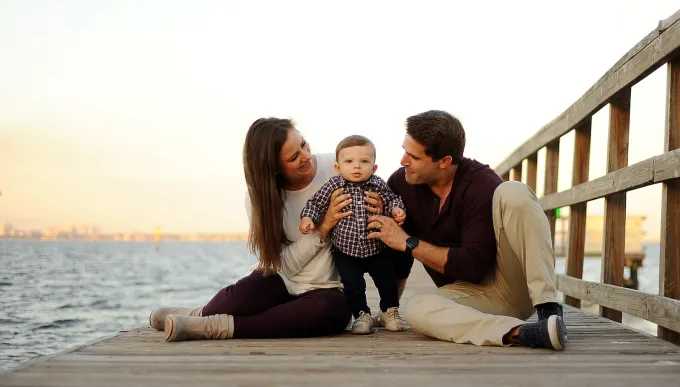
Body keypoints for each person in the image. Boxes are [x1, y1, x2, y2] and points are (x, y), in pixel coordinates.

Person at [148, 117, 385, 342]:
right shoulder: (260, 200)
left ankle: (213, 325)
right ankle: (200, 313)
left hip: (328, 288)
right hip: (282, 276)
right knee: (242, 295)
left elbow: (381, 222)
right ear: (274, 169)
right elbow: (281, 265)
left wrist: (381, 209)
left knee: (330, 313)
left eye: (303, 144)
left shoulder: (339, 168)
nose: (306, 156)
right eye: (293, 158)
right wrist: (323, 228)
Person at [367, 110, 567, 350]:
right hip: (467, 298)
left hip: (510, 285)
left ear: (445, 161)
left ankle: (548, 308)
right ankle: (524, 333)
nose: (403, 161)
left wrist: (409, 242)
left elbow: (473, 266)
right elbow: (397, 255)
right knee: (417, 309)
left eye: (413, 157)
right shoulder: (402, 183)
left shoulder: (481, 184)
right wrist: (390, 307)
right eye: (404, 150)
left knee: (513, 191)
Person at [299, 135, 407, 334]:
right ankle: (361, 315)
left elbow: (392, 199)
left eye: (364, 161)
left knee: (386, 281)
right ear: (338, 167)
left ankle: (389, 310)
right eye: (349, 161)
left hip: (376, 247)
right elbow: (316, 203)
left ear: (374, 167)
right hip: (345, 250)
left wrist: (396, 210)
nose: (356, 166)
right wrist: (308, 218)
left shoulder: (378, 184)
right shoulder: (334, 185)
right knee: (353, 285)